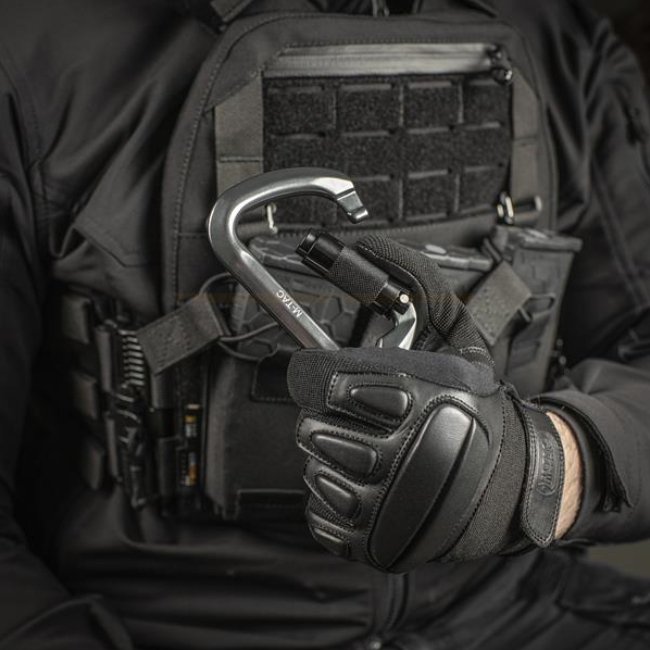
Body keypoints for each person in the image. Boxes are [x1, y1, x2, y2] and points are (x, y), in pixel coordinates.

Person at [0, 0, 649, 648]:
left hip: (512, 613)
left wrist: (549, 465)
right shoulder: (39, 49)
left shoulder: (558, 37)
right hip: (165, 625)